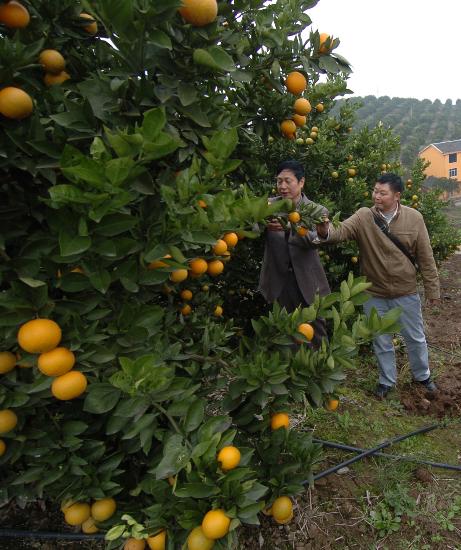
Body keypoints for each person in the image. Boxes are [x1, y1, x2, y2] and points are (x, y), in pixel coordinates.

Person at [315, 172, 440, 398]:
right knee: (380, 339)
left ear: (397, 195)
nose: (376, 196)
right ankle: (386, 382)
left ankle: (422, 376)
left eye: (382, 193)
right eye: (375, 191)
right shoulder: (364, 217)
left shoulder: (414, 218)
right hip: (374, 292)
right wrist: (324, 230)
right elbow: (340, 232)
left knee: (415, 337)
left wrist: (433, 290)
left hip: (406, 291)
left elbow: (425, 257)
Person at [258, 159, 330, 348]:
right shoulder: (268, 207)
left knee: (316, 334)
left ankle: (319, 372)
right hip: (278, 281)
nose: (282, 186)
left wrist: (291, 227)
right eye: (279, 181)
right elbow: (251, 227)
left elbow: (315, 240)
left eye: (287, 181)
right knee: (282, 335)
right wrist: (259, 221)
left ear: (301, 182)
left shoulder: (317, 211)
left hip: (307, 282)